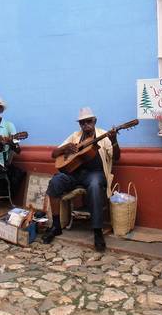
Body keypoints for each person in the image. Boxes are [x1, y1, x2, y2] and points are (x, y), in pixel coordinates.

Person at [42, 107, 120, 252]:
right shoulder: (75, 136)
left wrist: (114, 141)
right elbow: (54, 154)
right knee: (55, 181)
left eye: (88, 121)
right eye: (82, 123)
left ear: (94, 121)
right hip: (74, 174)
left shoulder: (104, 136)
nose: (85, 125)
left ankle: (97, 232)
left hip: (95, 173)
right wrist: (65, 148)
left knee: (95, 185)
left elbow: (116, 157)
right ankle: (56, 226)